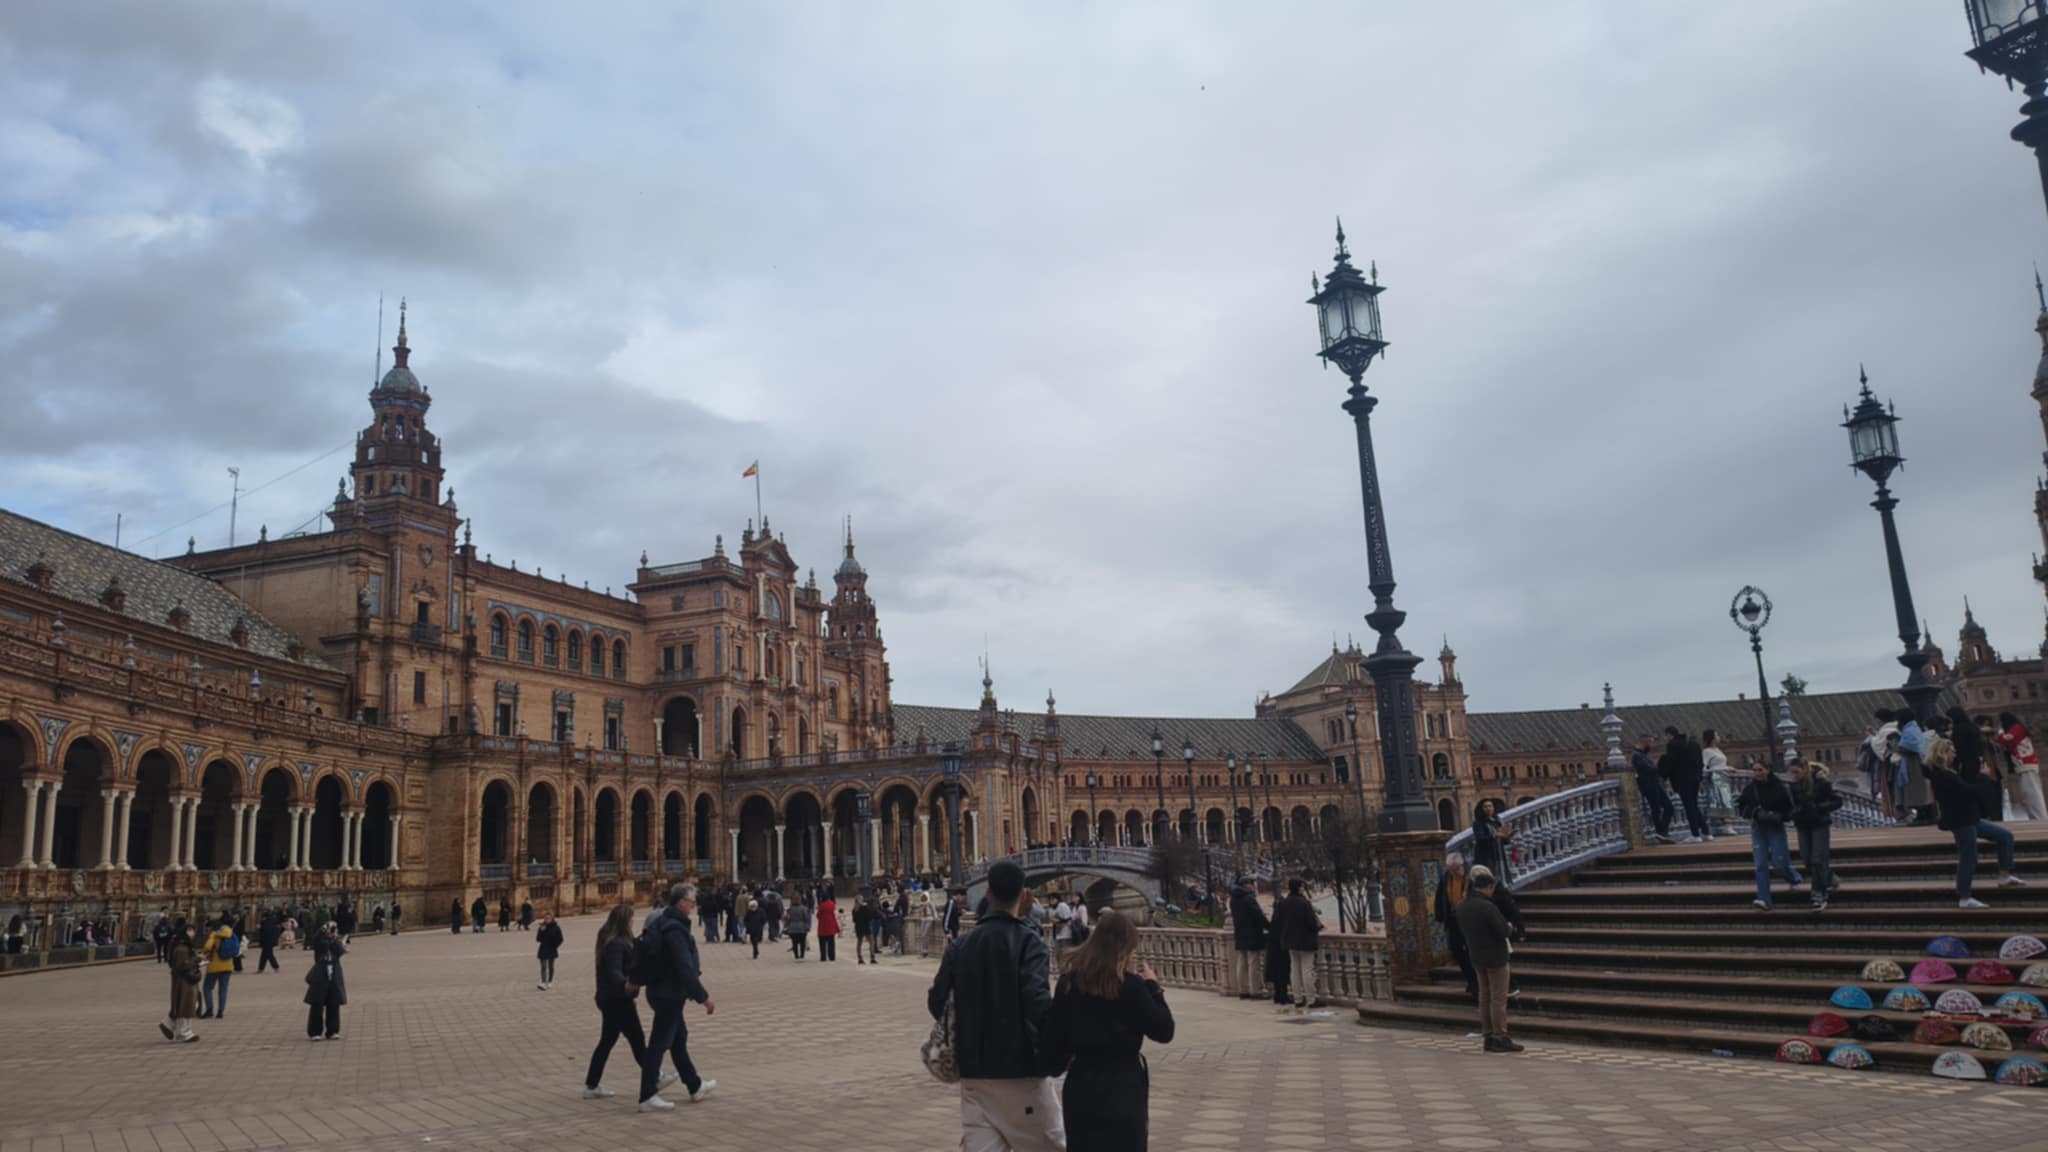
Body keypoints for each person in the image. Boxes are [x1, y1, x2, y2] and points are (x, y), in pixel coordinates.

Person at [927, 860, 1062, 1152]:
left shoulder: (960, 946)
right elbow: (1037, 1002)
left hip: (974, 1072)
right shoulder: (1030, 942)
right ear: (1023, 896)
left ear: (988, 893)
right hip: (1021, 1070)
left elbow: (937, 1000)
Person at [1041, 910, 1174, 1152]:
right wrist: (1154, 987)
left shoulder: (1068, 983)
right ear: (1125, 948)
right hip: (1123, 1084)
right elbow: (1164, 1030)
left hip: (1082, 1082)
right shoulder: (1131, 986)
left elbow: (1054, 1041)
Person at [638, 882, 716, 1112]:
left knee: (678, 1040)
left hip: (660, 990)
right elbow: (684, 968)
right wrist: (703, 998)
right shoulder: (674, 929)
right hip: (669, 993)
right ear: (681, 902)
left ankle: (694, 1085)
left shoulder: (662, 921)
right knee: (659, 1044)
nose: (694, 905)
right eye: (692, 901)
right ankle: (647, 1095)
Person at [1925, 732, 2025, 908]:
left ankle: (2005, 875)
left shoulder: (1946, 774)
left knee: (2005, 836)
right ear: (1943, 753)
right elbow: (1968, 792)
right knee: (1968, 857)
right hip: (1962, 821)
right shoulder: (1944, 776)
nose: (1955, 754)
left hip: (1970, 819)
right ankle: (1964, 897)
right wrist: (1983, 777)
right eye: (1952, 751)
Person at [584, 903, 665, 1100]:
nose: (632, 922)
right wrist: (628, 986)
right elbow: (614, 972)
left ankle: (591, 1085)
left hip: (611, 998)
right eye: (630, 919)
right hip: (616, 1000)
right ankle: (655, 1076)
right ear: (624, 921)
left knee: (607, 1041)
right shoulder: (616, 943)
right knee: (637, 1039)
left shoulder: (610, 940)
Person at [1453, 867, 1521, 1053]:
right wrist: (1510, 927)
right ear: (1488, 887)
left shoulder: (1462, 906)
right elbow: (1502, 931)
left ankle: (1488, 1036)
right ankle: (1500, 1037)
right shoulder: (1487, 906)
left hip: (1476, 956)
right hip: (1496, 957)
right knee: (1498, 999)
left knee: (1484, 998)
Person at [1737, 757, 1801, 911]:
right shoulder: (1750, 789)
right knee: (1760, 864)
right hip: (1758, 829)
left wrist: (1780, 816)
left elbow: (1789, 808)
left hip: (1775, 827)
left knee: (1779, 863)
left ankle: (1794, 877)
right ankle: (1764, 899)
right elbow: (1742, 807)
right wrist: (1754, 812)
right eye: (1754, 770)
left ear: (1768, 770)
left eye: (1760, 770)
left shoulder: (1779, 787)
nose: (1757, 773)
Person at [1787, 756, 1841, 911]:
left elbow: (1837, 801)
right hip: (1802, 825)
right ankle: (1829, 877)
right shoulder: (1793, 786)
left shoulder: (1822, 783)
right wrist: (1794, 812)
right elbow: (1790, 806)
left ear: (1805, 769)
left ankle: (1819, 894)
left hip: (1819, 824)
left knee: (1817, 859)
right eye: (1792, 773)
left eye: (1796, 772)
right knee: (1806, 859)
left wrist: (1819, 807)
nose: (1794, 776)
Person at [1271, 878, 1322, 1011]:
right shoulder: (1303, 903)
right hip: (1305, 940)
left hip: (1289, 941)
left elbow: (1278, 922)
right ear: (1299, 888)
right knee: (1307, 969)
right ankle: (1311, 999)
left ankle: (1298, 999)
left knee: (1294, 969)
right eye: (1302, 887)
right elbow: (1312, 923)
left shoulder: (1283, 903)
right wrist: (1318, 928)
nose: (1303, 889)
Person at [1433, 853, 1475, 998]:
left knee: (1471, 951)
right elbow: (1440, 897)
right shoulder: (1446, 876)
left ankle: (1477, 980)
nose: (1454, 873)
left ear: (1462, 865)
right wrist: (1439, 919)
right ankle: (1471, 979)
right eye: (1451, 870)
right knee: (1456, 950)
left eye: (1456, 869)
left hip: (1470, 920)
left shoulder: (1472, 875)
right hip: (1453, 920)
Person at [1997, 712, 2048, 820]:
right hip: (2024, 765)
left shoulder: (2017, 728)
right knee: (2029, 793)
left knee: (2032, 792)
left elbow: (2007, 740)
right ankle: (2036, 817)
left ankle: (2040, 817)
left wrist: (2000, 732)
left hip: (2026, 764)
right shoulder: (2019, 728)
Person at [1627, 736, 1676, 845]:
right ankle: (1661, 832)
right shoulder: (1636, 755)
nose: (1652, 746)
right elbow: (1648, 769)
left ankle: (1662, 832)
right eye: (1650, 743)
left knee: (1669, 807)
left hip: (1656, 783)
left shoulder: (1644, 754)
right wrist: (1660, 766)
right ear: (1645, 742)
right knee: (1656, 809)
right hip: (1648, 785)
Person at [1663, 726, 1709, 841]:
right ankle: (1706, 832)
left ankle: (1695, 834)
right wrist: (1698, 776)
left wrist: (1664, 776)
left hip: (1682, 780)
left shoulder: (1672, 745)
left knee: (1689, 806)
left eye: (1666, 736)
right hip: (1695, 779)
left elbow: (1670, 763)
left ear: (1669, 735)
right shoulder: (1693, 743)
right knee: (1694, 805)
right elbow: (1700, 762)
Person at [304, 921, 347, 1041]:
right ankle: (315, 1031)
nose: (331, 932)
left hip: (334, 972)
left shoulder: (335, 941)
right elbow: (317, 941)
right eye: (330, 930)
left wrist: (334, 938)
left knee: (334, 1002)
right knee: (317, 1003)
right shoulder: (320, 941)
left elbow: (340, 951)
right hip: (320, 973)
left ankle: (333, 1031)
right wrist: (323, 929)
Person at [161, 919, 203, 1043]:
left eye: (193, 930)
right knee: (186, 1006)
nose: (192, 933)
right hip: (184, 981)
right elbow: (180, 965)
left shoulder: (186, 946)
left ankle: (168, 1024)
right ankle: (184, 1033)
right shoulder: (182, 948)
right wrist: (197, 960)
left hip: (187, 979)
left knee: (185, 1005)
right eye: (189, 930)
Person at [1228, 877, 1268, 1001]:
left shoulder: (1233, 899)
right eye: (1252, 884)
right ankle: (1255, 991)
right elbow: (1258, 915)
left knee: (1241, 962)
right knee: (1253, 964)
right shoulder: (1248, 898)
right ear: (1246, 885)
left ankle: (1243, 990)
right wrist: (1269, 926)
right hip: (1252, 934)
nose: (1254, 886)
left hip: (1240, 933)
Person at [199, 914, 236, 1019]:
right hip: (228, 965)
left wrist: (204, 951)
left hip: (215, 966)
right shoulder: (230, 932)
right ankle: (220, 1011)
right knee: (223, 989)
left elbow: (207, 947)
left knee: (207, 987)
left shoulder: (214, 934)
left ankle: (209, 1009)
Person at [1702, 728, 1733, 817]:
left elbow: (1721, 764)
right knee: (1719, 800)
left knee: (1726, 800)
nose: (1719, 737)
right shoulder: (1707, 751)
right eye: (1717, 735)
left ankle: (1727, 819)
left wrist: (1728, 768)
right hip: (1716, 778)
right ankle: (1722, 819)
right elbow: (1703, 767)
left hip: (1724, 778)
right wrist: (1714, 771)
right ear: (1712, 738)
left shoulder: (1718, 750)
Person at [537, 910, 564, 989]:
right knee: (543, 966)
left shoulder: (556, 927)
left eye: (549, 918)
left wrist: (555, 946)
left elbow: (560, 939)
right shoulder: (542, 927)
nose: (547, 920)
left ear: (552, 919)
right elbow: (538, 939)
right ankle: (543, 982)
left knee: (550, 966)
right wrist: (541, 931)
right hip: (543, 948)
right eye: (545, 918)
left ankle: (550, 981)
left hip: (551, 949)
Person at [853, 894, 877, 965]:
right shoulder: (864, 908)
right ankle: (872, 957)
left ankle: (860, 958)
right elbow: (869, 917)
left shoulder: (854, 910)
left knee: (859, 943)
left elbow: (854, 920)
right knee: (871, 942)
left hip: (858, 927)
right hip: (866, 926)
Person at [817, 893, 840, 962]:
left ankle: (823, 957)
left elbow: (818, 915)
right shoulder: (832, 904)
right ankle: (832, 956)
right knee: (831, 942)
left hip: (823, 925)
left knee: (822, 942)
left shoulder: (821, 905)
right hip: (831, 924)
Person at [257, 909, 281, 974]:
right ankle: (261, 968)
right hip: (271, 940)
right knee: (265, 955)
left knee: (268, 955)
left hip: (266, 941)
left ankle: (275, 967)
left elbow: (264, 932)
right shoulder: (274, 921)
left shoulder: (265, 922)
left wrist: (259, 928)